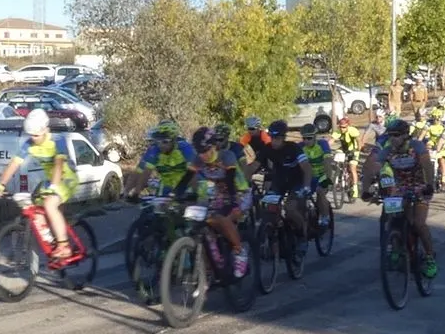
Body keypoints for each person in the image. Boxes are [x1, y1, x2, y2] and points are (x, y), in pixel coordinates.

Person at [0, 109, 78, 260]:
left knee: (49, 204)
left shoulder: (57, 141)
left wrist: (53, 187)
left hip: (66, 179)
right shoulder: (29, 144)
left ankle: (64, 246)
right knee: (33, 208)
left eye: (36, 135)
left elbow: (58, 165)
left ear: (45, 129)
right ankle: (51, 242)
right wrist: (1, 185)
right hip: (51, 181)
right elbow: (14, 164)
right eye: (30, 135)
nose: (33, 138)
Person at [360, 119, 438, 279]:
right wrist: (366, 190)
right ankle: (396, 245)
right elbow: (371, 168)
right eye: (390, 135)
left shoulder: (417, 146)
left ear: (405, 135)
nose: (392, 138)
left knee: (418, 223)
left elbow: (427, 166)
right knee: (393, 218)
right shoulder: (387, 150)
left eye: (396, 135)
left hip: (419, 186)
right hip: (400, 188)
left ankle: (430, 257)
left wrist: (429, 185)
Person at [173, 127, 250, 277]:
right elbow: (186, 179)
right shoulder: (198, 159)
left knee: (222, 219)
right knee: (202, 223)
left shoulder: (226, 156)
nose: (204, 155)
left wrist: (234, 202)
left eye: (207, 150)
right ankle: (210, 266)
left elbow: (230, 180)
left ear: (215, 146)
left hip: (239, 192)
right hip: (217, 195)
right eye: (200, 151)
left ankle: (240, 252)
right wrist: (174, 195)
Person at [256, 120, 313, 245]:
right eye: (272, 138)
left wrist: (307, 186)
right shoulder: (267, 149)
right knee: (269, 207)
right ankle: (277, 232)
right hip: (280, 181)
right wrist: (243, 184)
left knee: (290, 209)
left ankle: (302, 233)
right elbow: (253, 167)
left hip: (297, 181)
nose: (274, 141)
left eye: (277, 138)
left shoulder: (294, 148)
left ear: (283, 138)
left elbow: (306, 167)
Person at [124, 119, 195, 198]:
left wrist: (193, 194)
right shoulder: (154, 149)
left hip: (186, 185)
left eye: (165, 141)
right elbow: (141, 173)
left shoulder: (185, 148)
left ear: (174, 140)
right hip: (166, 185)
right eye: (158, 141)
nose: (161, 145)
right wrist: (132, 193)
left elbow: (193, 173)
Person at [299, 123, 332, 226]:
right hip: (308, 177)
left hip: (322, 175)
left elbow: (327, 162)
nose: (306, 141)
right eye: (304, 138)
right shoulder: (300, 146)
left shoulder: (322, 144)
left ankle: (325, 216)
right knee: (299, 196)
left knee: (320, 192)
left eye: (309, 138)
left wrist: (328, 178)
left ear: (315, 137)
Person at [331, 117, 362, 198]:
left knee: (352, 168)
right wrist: (325, 148)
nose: (342, 129)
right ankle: (339, 177)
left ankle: (355, 187)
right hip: (344, 150)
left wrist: (359, 149)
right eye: (340, 127)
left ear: (348, 125)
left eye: (344, 127)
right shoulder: (338, 131)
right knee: (337, 161)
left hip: (353, 150)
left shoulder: (352, 130)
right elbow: (331, 141)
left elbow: (358, 140)